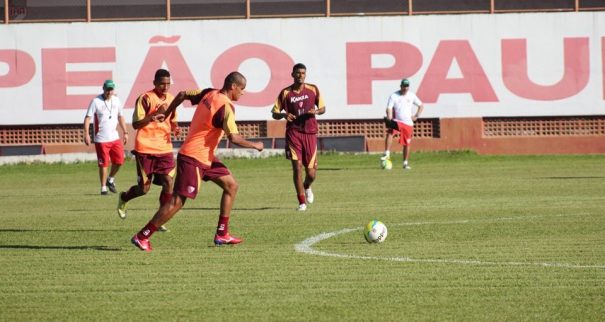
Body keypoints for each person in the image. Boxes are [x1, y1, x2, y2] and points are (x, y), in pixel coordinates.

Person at [130, 71, 264, 252]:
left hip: (206, 157)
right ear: (233, 87)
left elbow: (182, 94)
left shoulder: (209, 93)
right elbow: (234, 137)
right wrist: (255, 145)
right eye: (242, 89)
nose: (243, 92)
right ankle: (142, 236)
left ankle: (222, 234)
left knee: (231, 186)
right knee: (177, 201)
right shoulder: (226, 107)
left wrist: (167, 113)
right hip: (194, 158)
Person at [117, 69, 180, 232]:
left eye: (168, 83)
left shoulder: (172, 99)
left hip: (164, 148)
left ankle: (160, 218)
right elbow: (136, 124)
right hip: (145, 148)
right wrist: (154, 115)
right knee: (144, 189)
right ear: (154, 83)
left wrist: (175, 127)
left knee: (169, 182)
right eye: (161, 83)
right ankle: (124, 197)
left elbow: (172, 119)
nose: (165, 87)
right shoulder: (145, 98)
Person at [271, 63, 326, 211]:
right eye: (298, 73)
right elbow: (274, 113)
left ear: (305, 75)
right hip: (293, 133)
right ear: (292, 74)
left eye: (303, 73)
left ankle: (307, 186)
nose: (300, 75)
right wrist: (283, 114)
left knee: (311, 173)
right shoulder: (285, 93)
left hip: (310, 133)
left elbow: (323, 108)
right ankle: (301, 202)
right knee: (297, 168)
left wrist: (316, 112)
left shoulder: (313, 89)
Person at [83, 80, 129, 195]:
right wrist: (86, 134)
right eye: (107, 89)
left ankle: (110, 179)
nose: (109, 92)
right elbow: (88, 118)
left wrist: (125, 132)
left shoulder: (116, 100)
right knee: (104, 163)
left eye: (111, 89)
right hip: (101, 138)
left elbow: (120, 116)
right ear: (103, 88)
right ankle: (103, 188)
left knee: (119, 161)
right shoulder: (95, 101)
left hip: (114, 137)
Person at [380, 78, 424, 170]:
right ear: (401, 86)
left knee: (407, 143)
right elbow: (389, 108)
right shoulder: (394, 95)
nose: (405, 88)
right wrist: (389, 117)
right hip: (397, 120)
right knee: (390, 132)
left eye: (407, 86)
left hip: (408, 123)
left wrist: (416, 116)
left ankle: (405, 163)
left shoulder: (412, 96)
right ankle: (387, 154)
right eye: (404, 86)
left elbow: (421, 105)